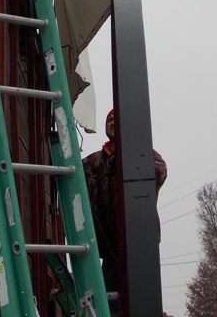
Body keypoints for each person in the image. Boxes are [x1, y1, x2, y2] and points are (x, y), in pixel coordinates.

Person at [82, 108, 167, 300]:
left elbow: (159, 172)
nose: (112, 123)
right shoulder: (95, 160)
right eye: (109, 120)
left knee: (141, 296)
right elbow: (76, 177)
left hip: (139, 241)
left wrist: (127, 159)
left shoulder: (143, 154)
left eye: (117, 120)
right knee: (108, 297)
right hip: (109, 245)